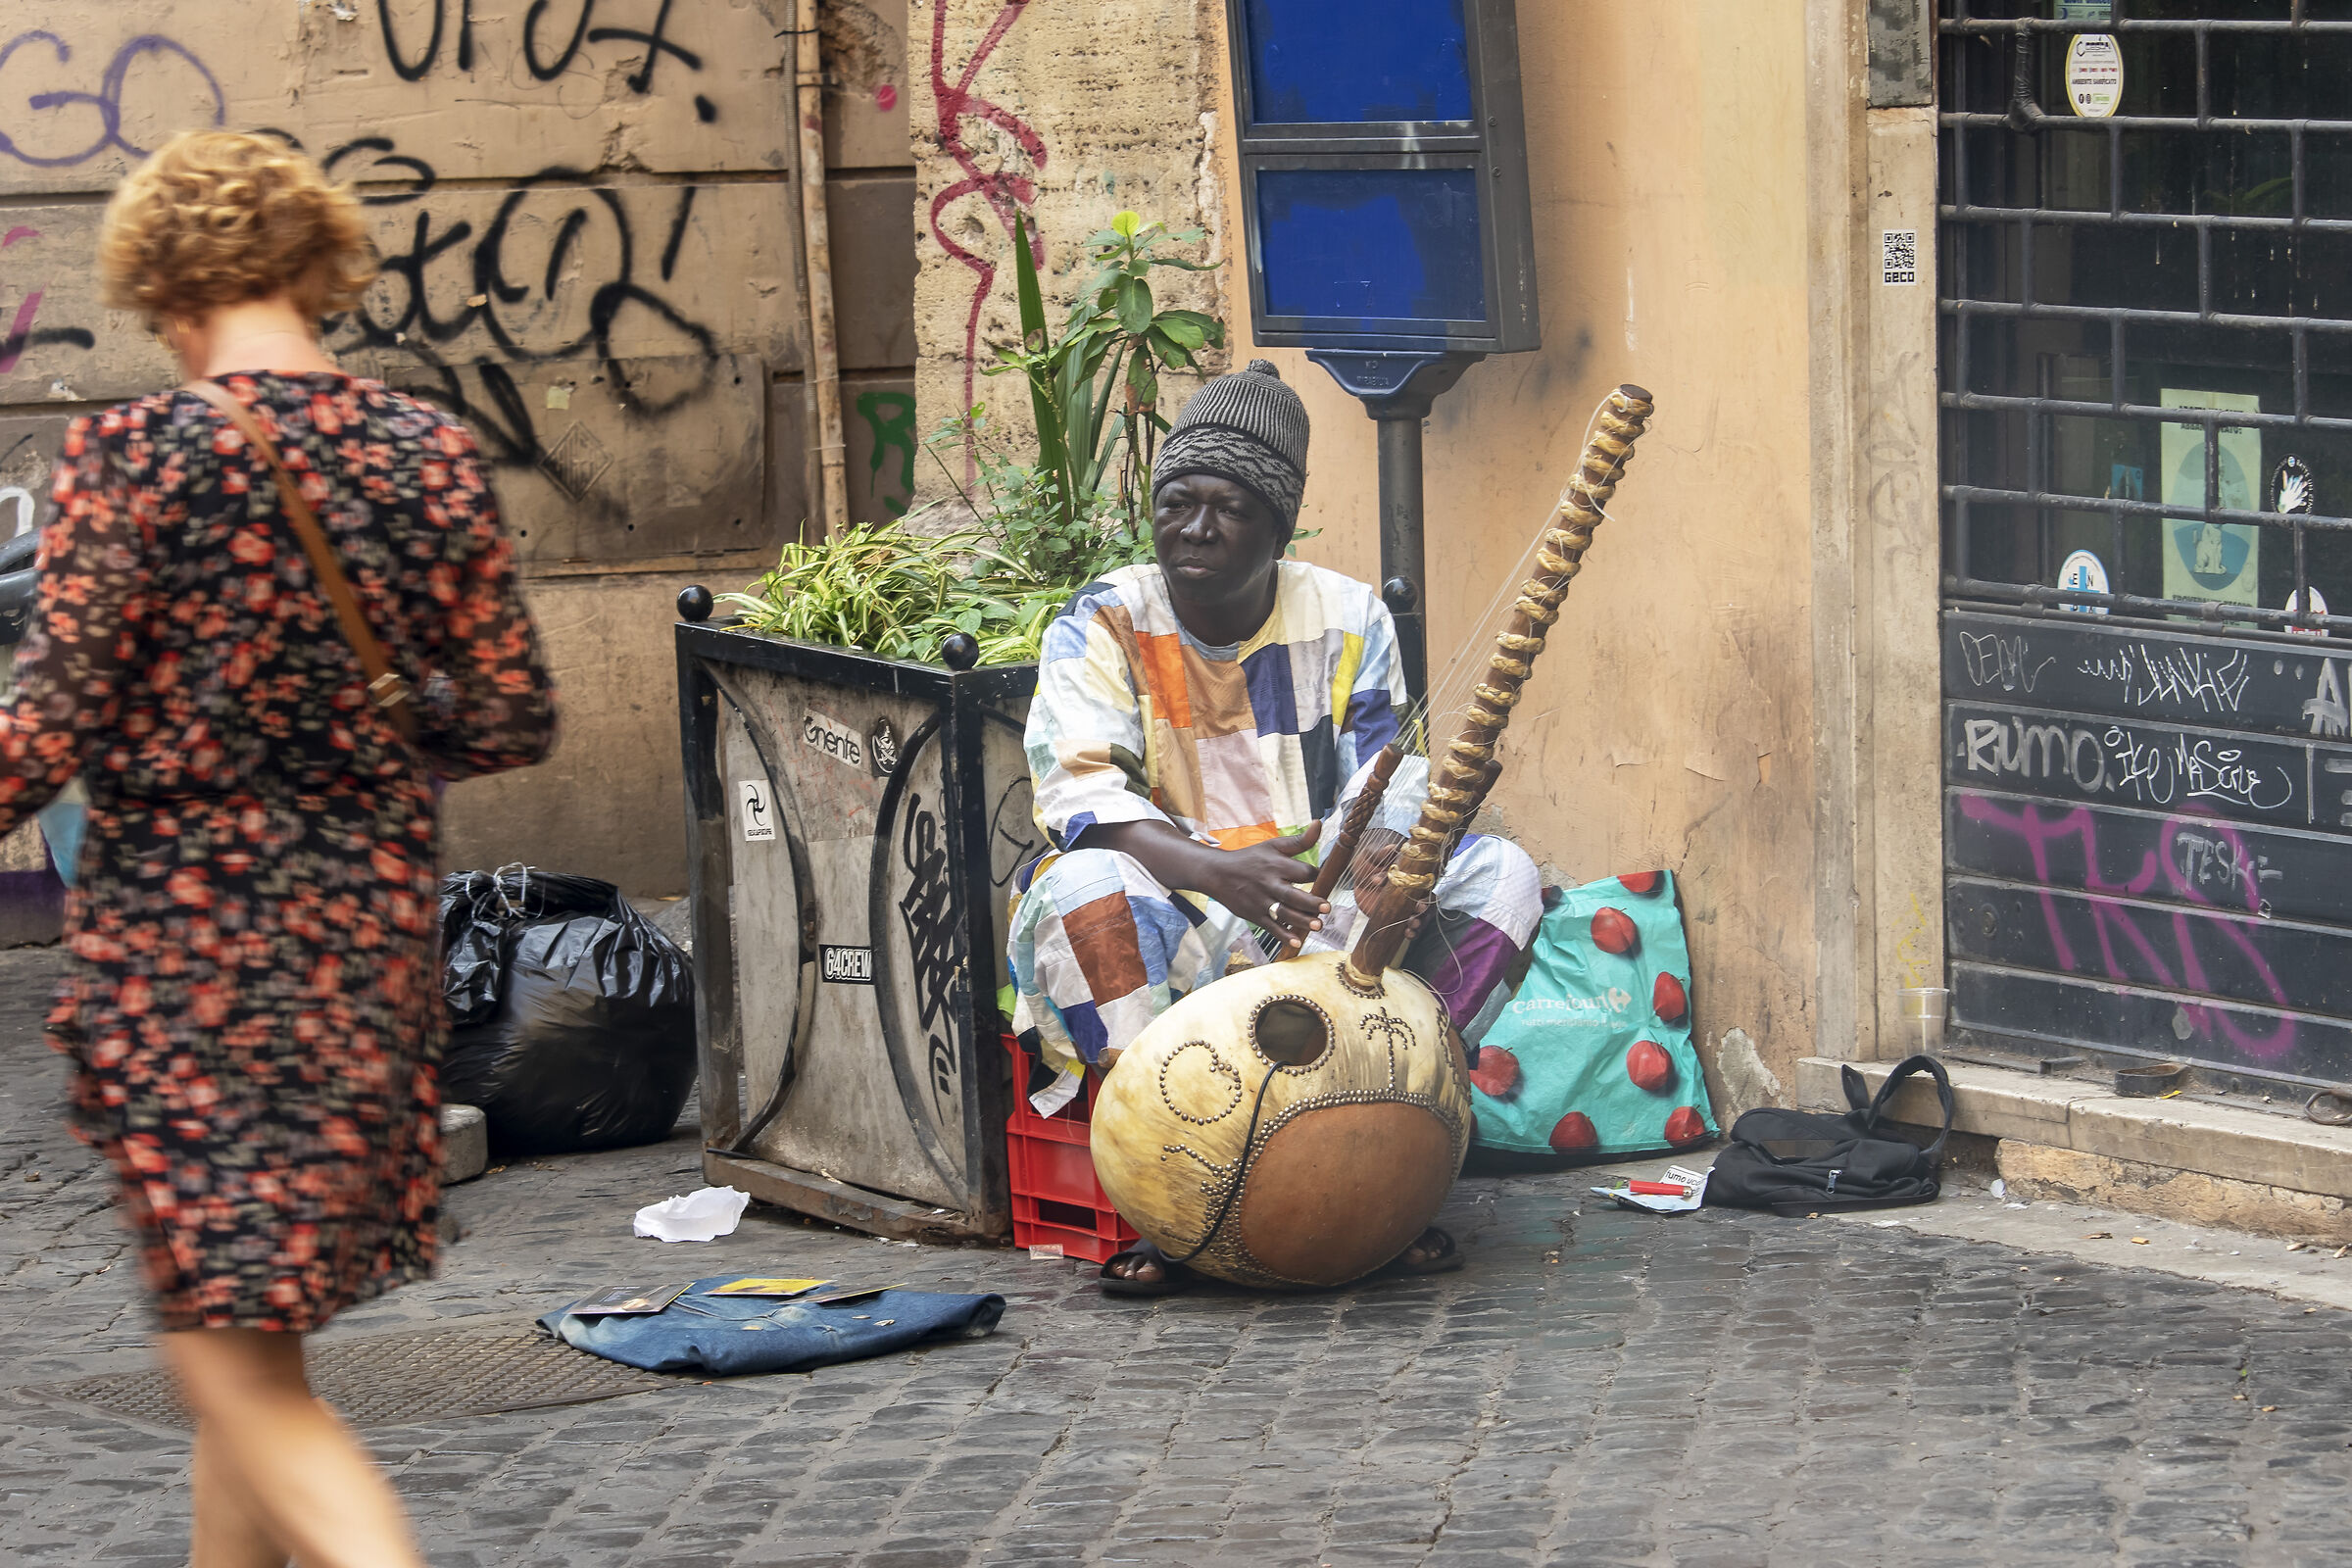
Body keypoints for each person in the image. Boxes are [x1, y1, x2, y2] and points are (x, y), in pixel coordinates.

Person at [3, 130, 557, 1567]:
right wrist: (359, 726)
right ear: (317, 266)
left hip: (183, 966)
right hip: (363, 954)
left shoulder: (133, 457)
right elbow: (511, 715)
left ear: (161, 286)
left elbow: (42, 734)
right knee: (251, 1356)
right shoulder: (426, 451)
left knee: (238, 1375)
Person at [1007, 359, 1540, 1296]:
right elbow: (1079, 796)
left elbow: (1387, 773)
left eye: (1229, 508)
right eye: (1177, 502)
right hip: (1182, 910)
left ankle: (1384, 1152)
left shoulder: (1348, 614)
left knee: (1503, 877)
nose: (1195, 528)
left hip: (1319, 915)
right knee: (1080, 891)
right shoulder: (1105, 619)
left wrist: (1378, 867)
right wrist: (1219, 871)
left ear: (1279, 527)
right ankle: (1168, 1196)